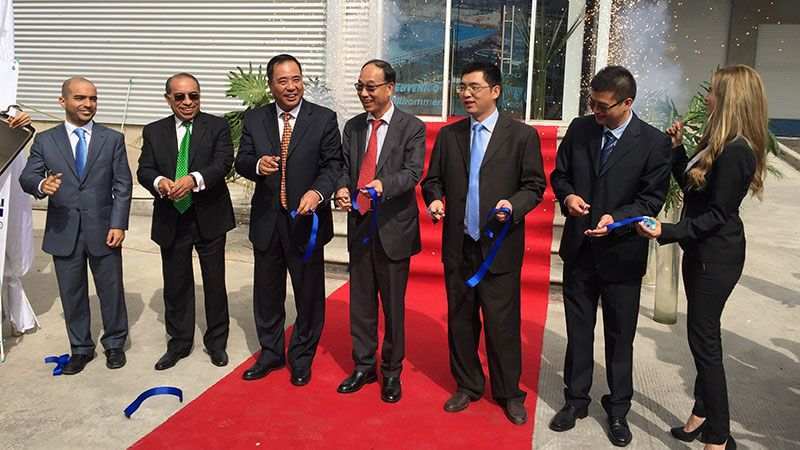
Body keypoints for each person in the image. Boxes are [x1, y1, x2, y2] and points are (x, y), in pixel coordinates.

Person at [636, 65, 768, 450]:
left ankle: (719, 435)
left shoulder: (737, 150)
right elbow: (694, 191)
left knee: (705, 343)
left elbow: (716, 216)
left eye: (712, 91)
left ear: (729, 98)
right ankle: (701, 412)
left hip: (716, 257)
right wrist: (678, 151)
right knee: (703, 338)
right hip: (701, 252)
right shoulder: (716, 141)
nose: (707, 96)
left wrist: (666, 231)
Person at [549, 65, 672, 446]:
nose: (596, 112)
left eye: (603, 107)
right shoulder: (581, 129)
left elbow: (651, 198)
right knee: (578, 332)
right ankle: (575, 400)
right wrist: (568, 196)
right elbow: (560, 175)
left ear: (627, 102)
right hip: (580, 250)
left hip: (622, 254)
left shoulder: (653, 142)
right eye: (592, 103)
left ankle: (618, 409)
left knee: (620, 338)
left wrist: (616, 220)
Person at [421, 61, 546, 425]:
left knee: (501, 324)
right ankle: (468, 384)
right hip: (459, 244)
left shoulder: (520, 136)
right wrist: (435, 200)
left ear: (495, 91)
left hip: (499, 245)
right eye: (462, 87)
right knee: (461, 320)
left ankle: (509, 393)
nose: (466, 94)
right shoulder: (450, 136)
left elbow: (534, 186)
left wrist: (513, 206)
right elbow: (433, 181)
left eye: (474, 87)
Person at [234, 54, 342, 386]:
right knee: (267, 294)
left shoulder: (322, 119)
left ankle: (302, 356)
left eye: (296, 79)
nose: (291, 86)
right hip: (268, 222)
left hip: (306, 222)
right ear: (271, 85)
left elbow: (333, 165)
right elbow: (242, 160)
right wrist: (257, 165)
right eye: (283, 81)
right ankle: (271, 353)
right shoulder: (256, 119)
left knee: (308, 295)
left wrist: (318, 193)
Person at [19, 77, 132, 374]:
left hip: (104, 229)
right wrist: (42, 184)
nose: (88, 104)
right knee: (72, 293)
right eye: (80, 98)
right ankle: (80, 348)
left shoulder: (112, 139)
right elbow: (28, 177)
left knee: (111, 290)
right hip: (63, 229)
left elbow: (123, 185)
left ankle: (114, 344)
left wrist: (118, 224)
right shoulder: (46, 140)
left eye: (93, 98)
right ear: (63, 101)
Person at [333, 60, 426, 403]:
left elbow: (413, 172)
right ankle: (363, 366)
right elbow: (343, 166)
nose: (364, 93)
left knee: (393, 307)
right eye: (360, 86)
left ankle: (391, 371)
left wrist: (382, 185)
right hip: (360, 225)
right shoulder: (354, 127)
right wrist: (342, 188)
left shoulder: (411, 127)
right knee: (360, 304)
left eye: (370, 87)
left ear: (390, 88)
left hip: (393, 229)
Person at [137, 73, 235, 370]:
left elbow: (223, 163)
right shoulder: (154, 131)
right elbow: (144, 169)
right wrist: (159, 182)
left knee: (214, 282)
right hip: (172, 218)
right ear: (168, 99)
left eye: (194, 95)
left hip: (210, 216)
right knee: (176, 283)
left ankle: (216, 343)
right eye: (180, 97)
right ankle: (179, 343)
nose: (188, 102)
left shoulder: (217, 126)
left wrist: (194, 180)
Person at [1, 108, 38, 336]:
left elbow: (17, 119)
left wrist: (21, 120)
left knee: (10, 244)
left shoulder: (6, 100)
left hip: (8, 172)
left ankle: (13, 313)